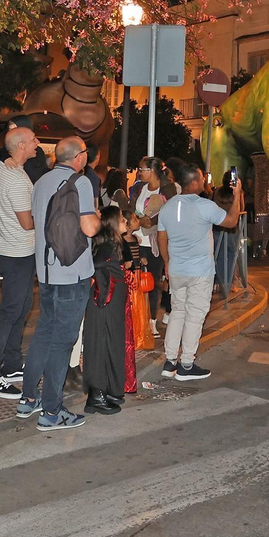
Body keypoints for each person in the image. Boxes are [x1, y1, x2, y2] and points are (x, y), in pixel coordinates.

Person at [16, 137, 100, 432]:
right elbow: (89, 227)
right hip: (73, 273)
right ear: (79, 157)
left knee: (44, 333)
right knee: (63, 342)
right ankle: (52, 411)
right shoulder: (82, 183)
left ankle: (28, 398)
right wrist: (98, 219)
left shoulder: (40, 182)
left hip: (47, 272)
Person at [157, 160, 243, 382]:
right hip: (199, 272)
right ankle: (186, 364)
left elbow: (161, 237)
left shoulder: (167, 206)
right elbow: (232, 221)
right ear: (193, 183)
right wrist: (238, 193)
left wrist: (167, 262)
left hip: (176, 269)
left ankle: (170, 362)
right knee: (195, 316)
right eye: (201, 178)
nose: (204, 181)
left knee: (177, 313)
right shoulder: (204, 206)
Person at [0, 126, 38, 401]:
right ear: (22, 145)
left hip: (13, 250)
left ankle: (12, 365)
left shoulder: (3, 167)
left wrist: (7, 156)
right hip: (17, 252)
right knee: (10, 312)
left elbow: (3, 155)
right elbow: (27, 222)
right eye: (34, 140)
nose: (38, 143)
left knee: (21, 307)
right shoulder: (13, 178)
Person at [83, 207, 130, 415]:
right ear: (112, 223)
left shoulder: (112, 245)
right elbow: (97, 264)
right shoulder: (107, 247)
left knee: (111, 343)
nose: (126, 220)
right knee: (101, 344)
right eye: (121, 218)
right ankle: (96, 395)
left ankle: (109, 388)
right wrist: (103, 292)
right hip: (104, 304)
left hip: (110, 304)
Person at [130, 157, 176, 337]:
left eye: (142, 169)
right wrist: (137, 223)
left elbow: (167, 213)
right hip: (137, 239)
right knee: (136, 280)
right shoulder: (139, 188)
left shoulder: (167, 189)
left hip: (155, 242)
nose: (139, 172)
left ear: (152, 171)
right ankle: (137, 319)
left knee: (153, 281)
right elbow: (131, 209)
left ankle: (151, 321)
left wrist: (148, 221)